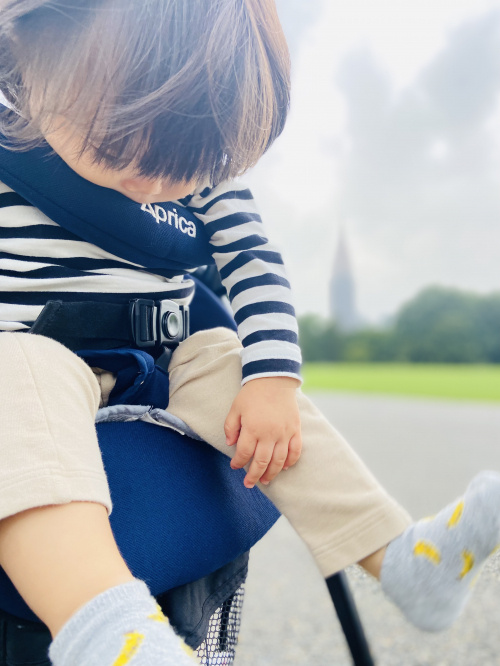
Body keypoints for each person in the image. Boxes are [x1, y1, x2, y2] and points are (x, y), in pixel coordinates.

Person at [0, 1, 499, 665]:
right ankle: (109, 632)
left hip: (160, 358)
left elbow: (255, 267)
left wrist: (272, 378)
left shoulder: (200, 163)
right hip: (31, 359)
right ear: (29, 55)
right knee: (17, 366)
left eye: (182, 165)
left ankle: (404, 558)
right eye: (117, 143)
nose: (152, 182)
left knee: (233, 361)